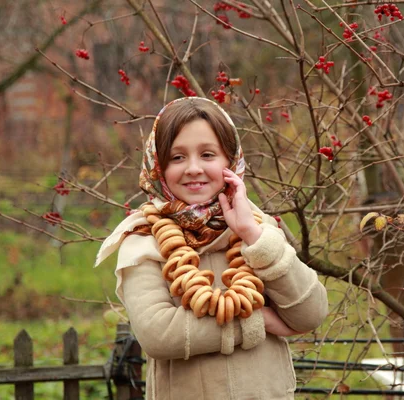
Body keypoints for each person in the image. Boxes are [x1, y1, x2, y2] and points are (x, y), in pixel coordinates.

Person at [95, 97, 328, 399]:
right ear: (158, 167)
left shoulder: (258, 227)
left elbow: (310, 314)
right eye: (177, 157)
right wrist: (260, 321)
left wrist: (251, 234)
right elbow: (158, 335)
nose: (193, 168)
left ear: (230, 162)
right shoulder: (141, 239)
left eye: (207, 154)